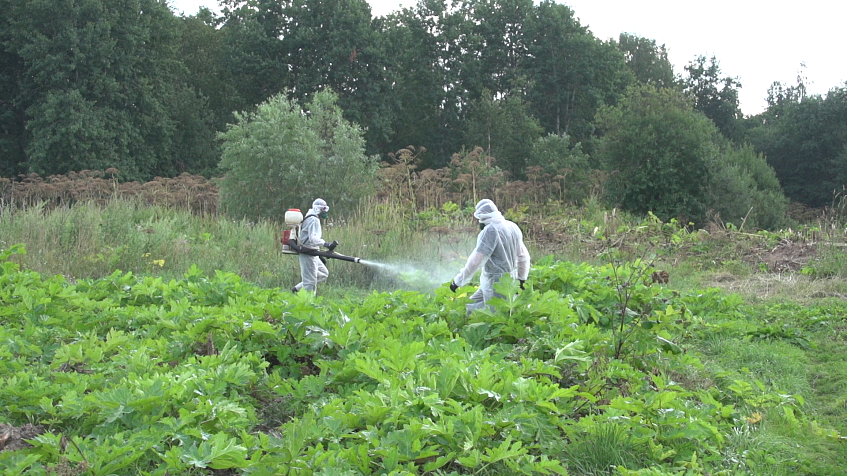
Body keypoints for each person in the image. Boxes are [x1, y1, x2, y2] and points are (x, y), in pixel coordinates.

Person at [449, 199, 530, 314]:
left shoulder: (490, 231)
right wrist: (521, 279)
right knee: (469, 306)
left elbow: (476, 261)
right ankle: (463, 321)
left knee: (494, 315)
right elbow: (523, 256)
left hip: (495, 283)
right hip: (506, 280)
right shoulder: (512, 226)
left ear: (481, 217)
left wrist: (458, 281)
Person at [293, 198, 338, 294]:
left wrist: (319, 254)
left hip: (313, 251)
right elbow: (312, 238)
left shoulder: (312, 217)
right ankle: (308, 303)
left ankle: (297, 289)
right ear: (317, 209)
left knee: (323, 274)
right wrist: (326, 244)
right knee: (310, 282)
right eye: (323, 209)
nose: (324, 212)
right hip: (308, 252)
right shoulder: (313, 219)